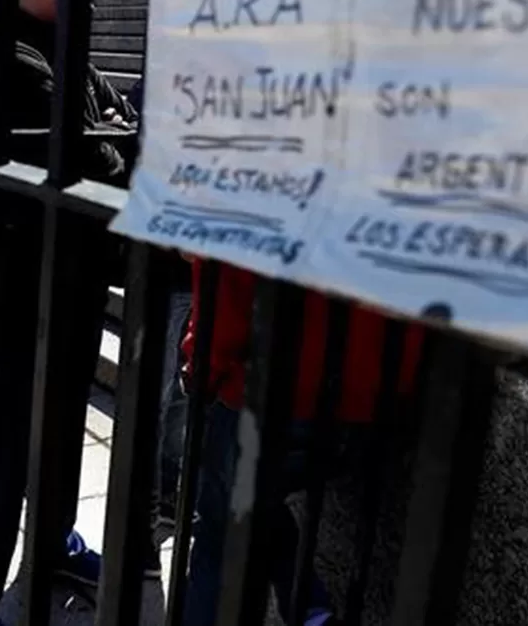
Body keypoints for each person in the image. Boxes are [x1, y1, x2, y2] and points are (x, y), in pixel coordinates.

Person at [0, 0, 141, 626]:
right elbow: (104, 157)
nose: (93, 5)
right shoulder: (5, 58)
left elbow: (121, 132)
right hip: (11, 293)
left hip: (68, 286)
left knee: (56, 432)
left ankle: (51, 544)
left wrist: (116, 138)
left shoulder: (59, 53)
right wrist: (115, 139)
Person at [179, 256, 425, 626]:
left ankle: (308, 609)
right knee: (254, 503)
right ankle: (312, 610)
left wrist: (201, 370)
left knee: (221, 533)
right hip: (372, 398)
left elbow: (227, 275)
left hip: (274, 394)